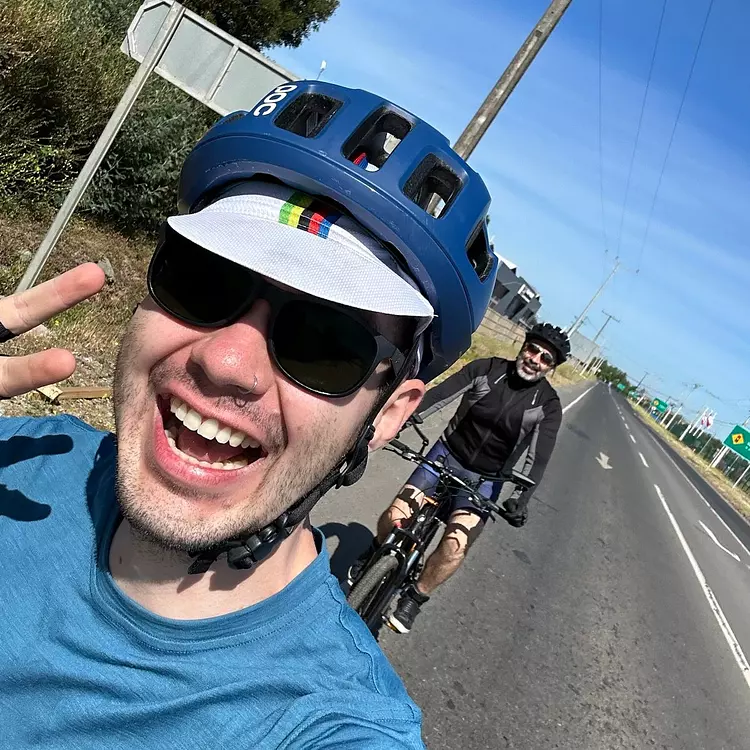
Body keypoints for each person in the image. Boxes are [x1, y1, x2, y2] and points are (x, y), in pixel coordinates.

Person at [0, 81, 499, 748]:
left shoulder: (331, 724)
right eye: (202, 280)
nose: (228, 362)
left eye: (326, 343)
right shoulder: (24, 456)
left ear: (386, 415)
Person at [359, 323, 570, 634]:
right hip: (446, 456)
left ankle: (416, 596)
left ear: (551, 368)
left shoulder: (547, 405)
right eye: (533, 350)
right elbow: (440, 396)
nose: (535, 359)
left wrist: (520, 499)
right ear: (523, 347)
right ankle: (376, 550)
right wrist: (400, 422)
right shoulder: (487, 369)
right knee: (395, 516)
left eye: (546, 359)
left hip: (484, 481)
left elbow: (537, 459)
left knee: (455, 545)